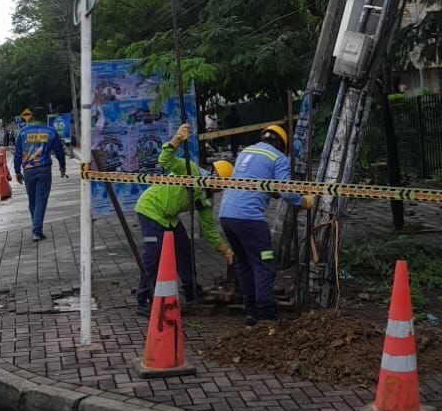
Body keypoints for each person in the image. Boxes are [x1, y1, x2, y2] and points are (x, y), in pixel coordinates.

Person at [218, 123, 314, 326]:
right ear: (281, 144)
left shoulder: (246, 152)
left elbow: (256, 182)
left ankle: (251, 311)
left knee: (244, 263)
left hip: (227, 216)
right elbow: (286, 191)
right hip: (250, 220)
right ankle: (266, 314)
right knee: (264, 263)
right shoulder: (278, 157)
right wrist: (303, 201)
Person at [134, 124, 233, 317]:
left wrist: (224, 249)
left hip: (169, 218)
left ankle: (191, 292)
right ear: (213, 176)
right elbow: (165, 159)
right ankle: (143, 299)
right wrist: (176, 140)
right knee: (153, 256)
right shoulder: (191, 170)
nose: (219, 191)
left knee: (184, 249)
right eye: (220, 185)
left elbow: (209, 228)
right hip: (151, 210)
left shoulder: (207, 199)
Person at [13, 114, 67, 241]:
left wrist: (17, 171)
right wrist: (62, 166)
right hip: (44, 170)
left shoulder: (22, 132)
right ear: (44, 119)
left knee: (32, 201)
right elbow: (59, 151)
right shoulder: (51, 131)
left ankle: (37, 228)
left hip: (28, 171)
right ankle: (37, 230)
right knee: (41, 200)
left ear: (32, 118)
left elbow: (18, 153)